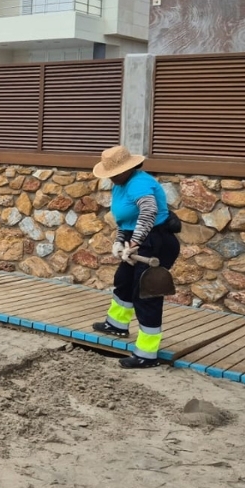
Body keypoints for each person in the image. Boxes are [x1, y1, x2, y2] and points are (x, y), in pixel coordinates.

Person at [89, 145, 181, 369]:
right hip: (136, 238)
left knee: (146, 294)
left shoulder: (139, 183)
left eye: (113, 173)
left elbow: (148, 212)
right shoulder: (120, 185)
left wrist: (136, 242)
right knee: (124, 279)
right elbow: (125, 218)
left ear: (126, 169)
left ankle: (147, 355)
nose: (110, 177)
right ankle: (117, 324)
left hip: (154, 241)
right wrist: (120, 240)